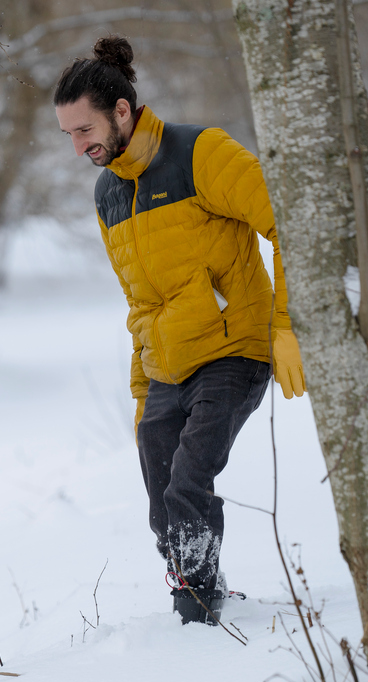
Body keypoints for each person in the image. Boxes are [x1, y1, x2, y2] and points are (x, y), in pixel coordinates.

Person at [54, 36, 307, 625]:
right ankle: (203, 598)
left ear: (122, 110)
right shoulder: (109, 193)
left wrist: (287, 328)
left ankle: (195, 627)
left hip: (232, 351)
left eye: (83, 130)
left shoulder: (201, 154)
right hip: (166, 367)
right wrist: (143, 397)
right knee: (161, 504)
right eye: (67, 134)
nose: (77, 146)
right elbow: (139, 305)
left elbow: (289, 221)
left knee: (188, 486)